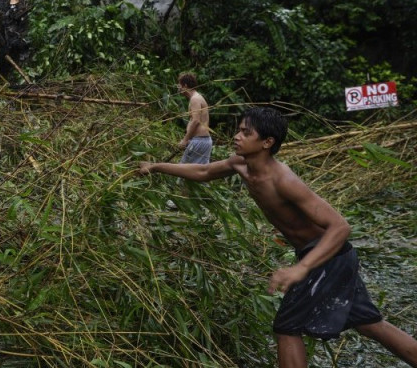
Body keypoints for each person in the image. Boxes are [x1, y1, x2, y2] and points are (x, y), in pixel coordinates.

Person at [138, 107, 417, 367]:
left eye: (246, 132)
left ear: (267, 142)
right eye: (238, 130)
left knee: (287, 327)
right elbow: (203, 170)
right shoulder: (240, 164)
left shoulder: (283, 180)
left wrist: (302, 268)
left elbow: (340, 227)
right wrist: (157, 166)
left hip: (327, 256)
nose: (236, 136)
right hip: (322, 257)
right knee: (369, 323)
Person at [176, 73, 212, 164]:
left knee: (184, 171)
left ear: (185, 85)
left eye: (179, 85)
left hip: (200, 140)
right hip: (200, 140)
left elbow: (196, 121)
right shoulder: (196, 98)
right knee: (198, 173)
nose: (178, 88)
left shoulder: (195, 99)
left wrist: (185, 140)